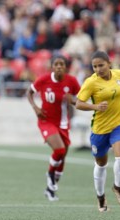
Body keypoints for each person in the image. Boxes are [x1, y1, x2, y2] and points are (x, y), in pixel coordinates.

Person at [75, 51, 120, 212]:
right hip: (100, 129)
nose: (98, 69)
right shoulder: (91, 83)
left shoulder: (119, 74)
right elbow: (78, 103)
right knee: (101, 165)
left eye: (101, 65)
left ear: (109, 63)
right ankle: (101, 197)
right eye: (94, 66)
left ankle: (118, 187)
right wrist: (95, 106)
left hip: (118, 123)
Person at [26, 55, 80, 201]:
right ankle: (50, 174)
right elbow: (29, 92)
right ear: (52, 66)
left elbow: (80, 100)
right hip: (46, 121)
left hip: (63, 123)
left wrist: (73, 101)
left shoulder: (72, 81)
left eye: (62, 64)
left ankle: (50, 189)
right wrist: (35, 107)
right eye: (56, 64)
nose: (59, 66)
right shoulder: (44, 79)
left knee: (62, 157)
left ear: (66, 67)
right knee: (60, 150)